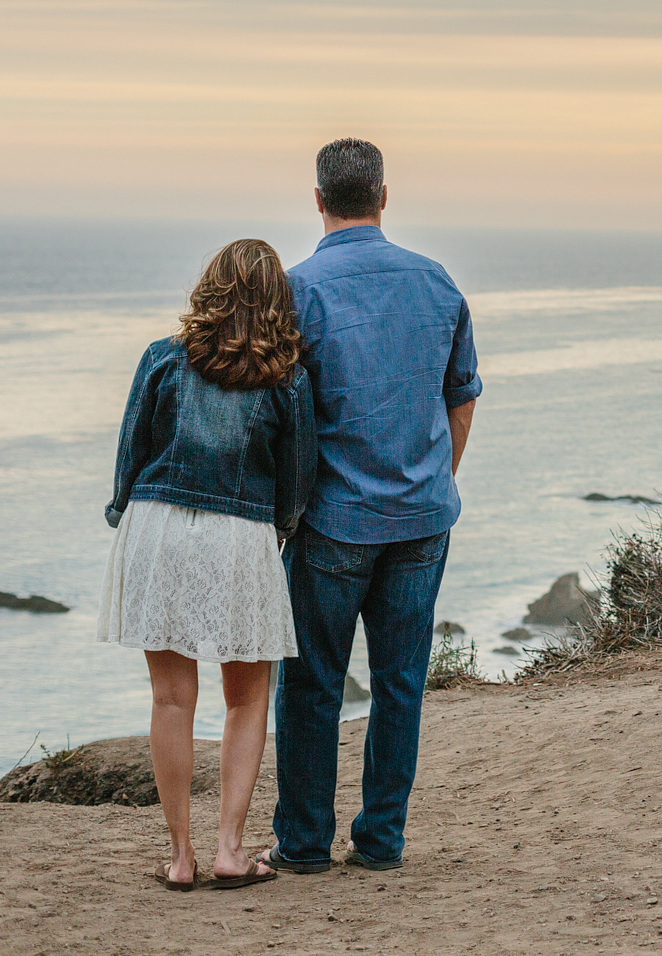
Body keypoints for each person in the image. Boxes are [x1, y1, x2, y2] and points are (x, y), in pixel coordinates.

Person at [259, 138, 481, 875]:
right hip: (421, 517)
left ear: (318, 199)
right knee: (400, 683)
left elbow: (278, 413)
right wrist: (434, 477)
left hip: (331, 521)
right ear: (384, 196)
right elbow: (462, 395)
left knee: (313, 684)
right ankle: (381, 838)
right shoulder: (437, 282)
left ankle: (303, 844)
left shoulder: (297, 290)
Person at [99, 238, 315, 892]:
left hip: (157, 525)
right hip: (242, 531)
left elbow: (131, 449)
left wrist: (121, 515)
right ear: (278, 299)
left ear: (210, 289)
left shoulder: (163, 357)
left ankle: (180, 857)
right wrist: (279, 532)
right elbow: (296, 481)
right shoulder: (287, 376)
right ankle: (229, 849)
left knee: (170, 697)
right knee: (247, 698)